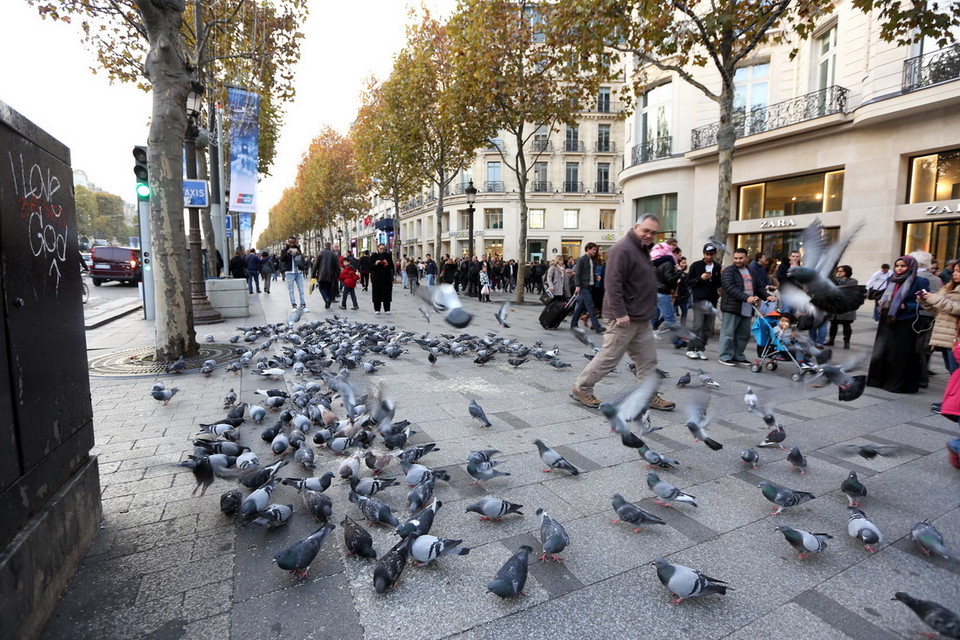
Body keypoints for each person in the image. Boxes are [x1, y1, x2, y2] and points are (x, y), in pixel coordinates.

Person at [570, 214, 676, 412]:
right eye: (646, 230)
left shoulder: (642, 249)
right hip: (624, 317)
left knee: (648, 359)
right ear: (636, 227)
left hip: (641, 316)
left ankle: (649, 394)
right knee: (610, 357)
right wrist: (620, 312)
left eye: (653, 233)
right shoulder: (622, 249)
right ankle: (582, 388)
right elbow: (613, 283)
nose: (649, 235)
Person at [867, 255, 925, 393]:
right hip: (887, 319)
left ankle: (897, 384)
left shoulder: (920, 281)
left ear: (910, 267)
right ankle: (879, 380)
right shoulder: (890, 279)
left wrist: (906, 306)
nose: (899, 269)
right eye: (897, 266)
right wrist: (882, 301)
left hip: (906, 321)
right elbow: (886, 295)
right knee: (884, 350)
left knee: (901, 353)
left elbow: (924, 303)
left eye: (903, 266)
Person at [719, 247, 776, 366]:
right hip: (732, 307)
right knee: (728, 333)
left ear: (746, 258)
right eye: (735, 258)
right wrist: (746, 297)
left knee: (743, 334)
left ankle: (738, 356)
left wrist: (767, 296)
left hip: (748, 308)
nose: (738, 260)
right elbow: (730, 288)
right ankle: (725, 356)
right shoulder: (729, 271)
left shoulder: (751, 271)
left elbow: (759, 286)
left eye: (740, 258)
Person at [920, 261, 960, 392]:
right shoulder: (950, 287)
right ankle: (951, 404)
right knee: (952, 371)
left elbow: (957, 308)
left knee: (956, 371)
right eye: (954, 270)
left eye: (958, 271)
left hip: (955, 336)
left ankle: (954, 406)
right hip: (945, 336)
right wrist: (925, 301)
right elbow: (939, 311)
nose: (954, 274)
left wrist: (935, 299)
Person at [685, 243, 722, 360]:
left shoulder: (717, 266)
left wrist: (721, 275)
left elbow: (718, 284)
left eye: (712, 254)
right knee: (697, 325)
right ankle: (691, 349)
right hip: (699, 300)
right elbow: (688, 282)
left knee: (707, 328)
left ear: (715, 254)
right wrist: (700, 278)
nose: (709, 256)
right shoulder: (696, 266)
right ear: (704, 254)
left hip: (712, 300)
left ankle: (700, 349)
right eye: (707, 254)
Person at [651, 244, 684, 347]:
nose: (679, 258)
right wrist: (679, 272)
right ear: (674, 254)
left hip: (656, 292)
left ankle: (645, 337)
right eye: (679, 255)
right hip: (663, 293)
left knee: (653, 316)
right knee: (670, 319)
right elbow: (669, 280)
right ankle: (677, 342)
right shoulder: (668, 263)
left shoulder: (659, 263)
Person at [570, 242, 605, 333]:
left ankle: (573, 324)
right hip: (584, 287)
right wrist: (577, 286)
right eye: (593, 249)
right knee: (591, 306)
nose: (595, 251)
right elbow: (577, 274)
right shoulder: (582, 259)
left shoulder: (592, 259)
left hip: (590, 286)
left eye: (595, 249)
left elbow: (590, 272)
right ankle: (597, 327)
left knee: (581, 306)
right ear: (588, 249)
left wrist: (596, 275)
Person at [825, 265, 858, 348]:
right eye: (838, 271)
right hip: (835, 306)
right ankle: (831, 340)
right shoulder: (834, 280)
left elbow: (849, 291)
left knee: (846, 324)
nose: (839, 273)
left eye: (841, 271)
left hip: (846, 306)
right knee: (833, 324)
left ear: (846, 272)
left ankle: (846, 342)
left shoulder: (852, 281)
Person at [281, 236, 308, 312]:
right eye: (290, 242)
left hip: (298, 272)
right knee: (291, 290)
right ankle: (294, 305)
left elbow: (302, 259)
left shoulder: (298, 249)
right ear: (288, 242)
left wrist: (299, 254)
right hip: (290, 273)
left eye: (293, 242)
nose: (292, 244)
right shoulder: (285, 250)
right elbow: (282, 259)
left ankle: (303, 305)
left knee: (301, 290)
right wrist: (287, 253)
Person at [312, 242, 340, 310]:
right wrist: (337, 275)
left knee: (321, 288)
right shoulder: (334, 254)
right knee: (329, 288)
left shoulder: (320, 253)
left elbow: (315, 266)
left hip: (321, 275)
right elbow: (337, 266)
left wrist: (313, 275)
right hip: (331, 275)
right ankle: (328, 302)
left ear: (324, 246)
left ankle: (326, 299)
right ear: (330, 247)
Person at [370, 243, 394, 315]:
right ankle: (377, 309)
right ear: (378, 248)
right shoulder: (373, 256)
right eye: (380, 249)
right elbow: (370, 267)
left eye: (383, 249)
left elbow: (391, 266)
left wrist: (387, 264)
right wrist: (375, 264)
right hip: (377, 278)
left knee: (386, 293)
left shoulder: (388, 255)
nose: (382, 250)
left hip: (386, 278)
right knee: (377, 293)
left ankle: (387, 309)